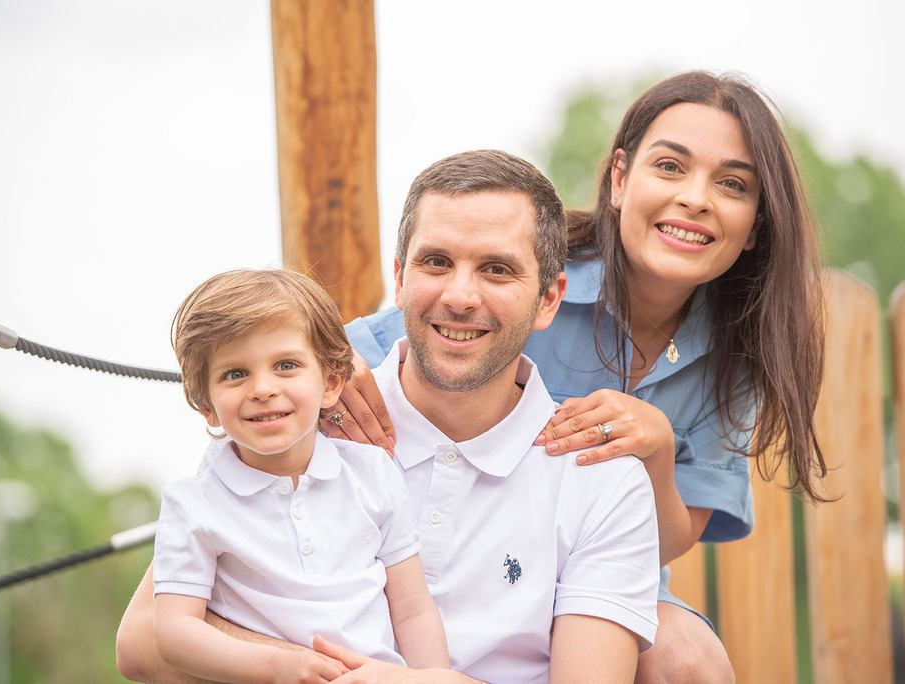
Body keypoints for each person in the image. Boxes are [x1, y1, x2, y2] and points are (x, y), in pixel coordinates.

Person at [331, 71, 827, 683]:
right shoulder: (523, 284)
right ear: (620, 179)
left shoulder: (736, 356)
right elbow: (394, 337)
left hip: (589, 568)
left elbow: (666, 544)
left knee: (686, 660)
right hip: (457, 541)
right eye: (670, 167)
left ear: (756, 223)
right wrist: (333, 355)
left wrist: (658, 454)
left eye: (731, 184)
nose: (696, 197)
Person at [116, 149, 661, 684]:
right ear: (399, 278)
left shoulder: (603, 479)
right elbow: (144, 642)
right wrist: (311, 670)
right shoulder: (303, 423)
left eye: (497, 270)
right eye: (436, 262)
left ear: (548, 299)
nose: (460, 295)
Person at [150, 268, 448, 683]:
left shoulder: (372, 473)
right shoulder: (193, 505)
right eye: (235, 374)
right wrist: (276, 666)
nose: (262, 388)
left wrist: (432, 679)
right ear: (207, 405)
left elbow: (413, 609)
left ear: (330, 383)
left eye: (286, 365)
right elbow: (173, 632)